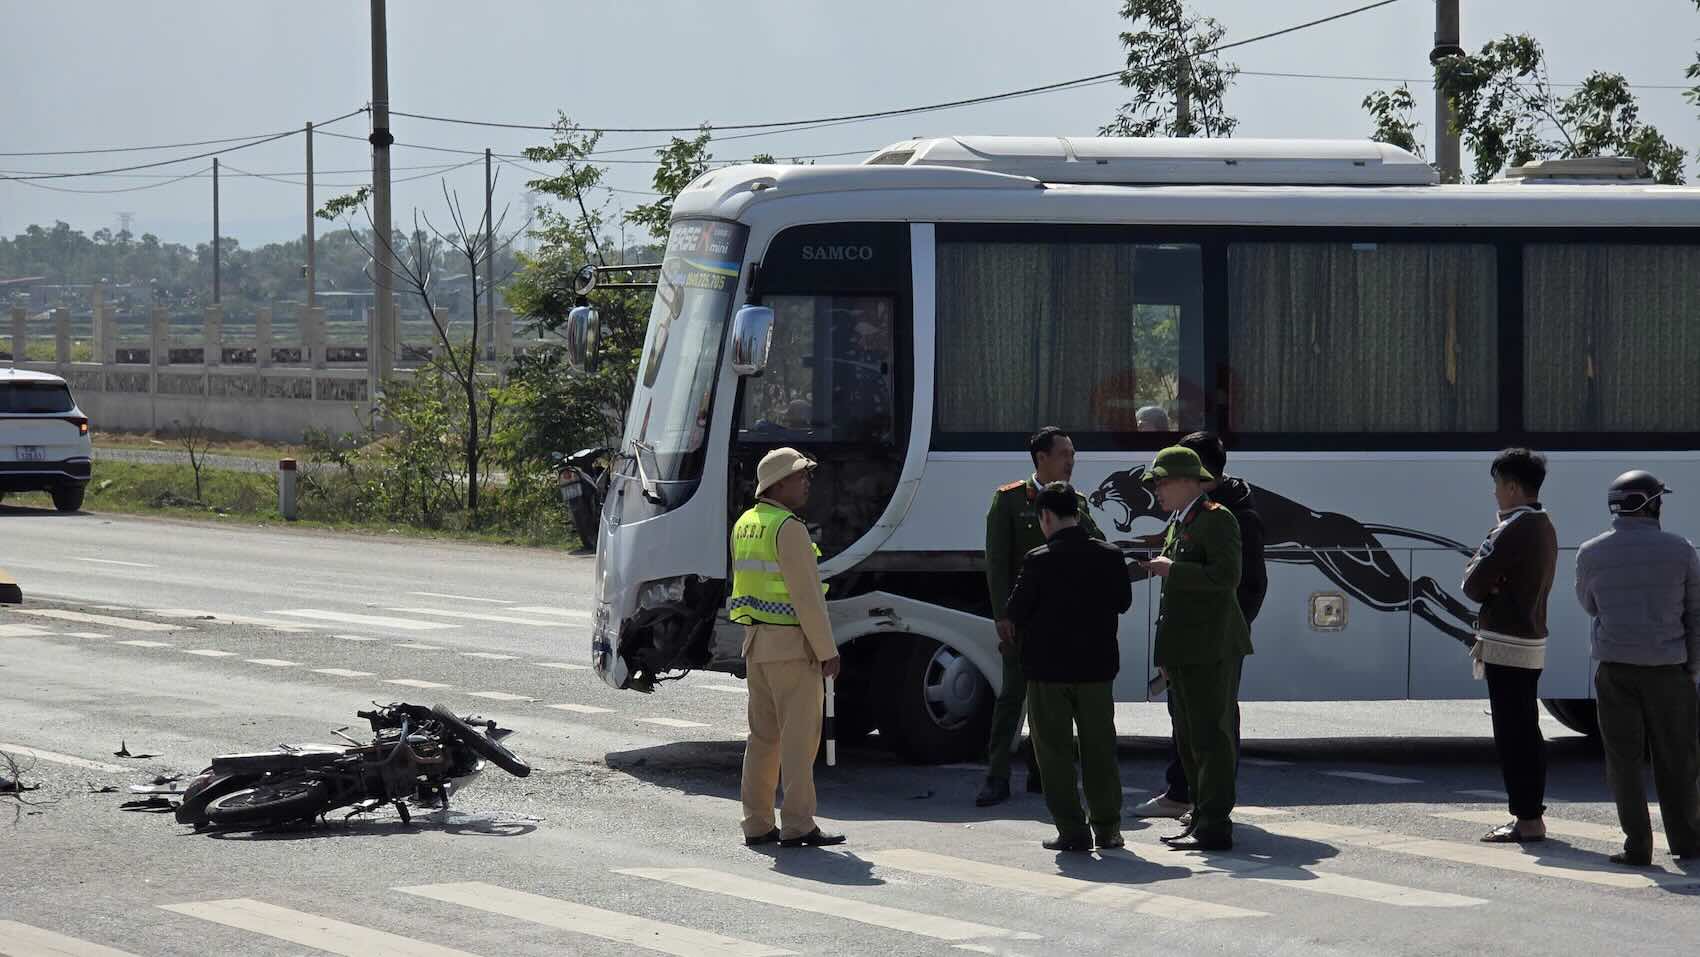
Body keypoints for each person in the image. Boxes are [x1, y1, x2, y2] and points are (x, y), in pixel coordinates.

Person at [1131, 431, 1267, 822]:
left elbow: (1238, 582)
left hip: (1212, 642)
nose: (1157, 488)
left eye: (1164, 479)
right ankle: (1190, 800)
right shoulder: (1187, 516)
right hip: (1191, 641)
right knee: (1190, 726)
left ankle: (1208, 814)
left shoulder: (1227, 518)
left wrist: (1220, 631)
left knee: (1213, 730)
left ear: (1196, 474)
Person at [1575, 470, 1700, 866]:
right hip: (1669, 670)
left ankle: (1637, 847)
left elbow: (1589, 605)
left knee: (1623, 761)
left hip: (1615, 670)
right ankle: (1687, 839)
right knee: (1677, 758)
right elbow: (1695, 615)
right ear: (1652, 503)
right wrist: (1692, 668)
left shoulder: (1591, 552)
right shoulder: (1681, 550)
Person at [979, 427, 1105, 807]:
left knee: (1053, 700)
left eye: (1073, 454)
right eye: (1064, 454)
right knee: (1013, 697)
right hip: (1024, 618)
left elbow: (1097, 543)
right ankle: (996, 775)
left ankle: (1041, 771)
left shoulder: (1076, 502)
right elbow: (997, 563)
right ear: (1041, 459)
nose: (1070, 462)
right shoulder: (1011, 499)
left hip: (1064, 620)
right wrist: (1003, 615)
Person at [1005, 482, 1134, 851]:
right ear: (1077, 514)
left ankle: (1072, 831)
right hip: (1096, 669)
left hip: (1048, 672)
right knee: (1099, 750)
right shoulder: (1109, 555)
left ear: (1045, 517)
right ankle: (1108, 828)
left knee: (1054, 754)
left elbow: (1016, 610)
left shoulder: (1038, 559)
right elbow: (1123, 602)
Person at [731, 447, 846, 848]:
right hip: (792, 649)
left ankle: (757, 822)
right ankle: (798, 823)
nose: (807, 481)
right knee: (799, 741)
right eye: (800, 475)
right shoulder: (789, 528)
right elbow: (807, 598)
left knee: (762, 739)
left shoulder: (746, 523)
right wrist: (827, 650)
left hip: (756, 644)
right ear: (779, 484)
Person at [1461, 448, 1558, 844]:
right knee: (1524, 728)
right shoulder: (1542, 524)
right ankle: (1529, 814)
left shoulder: (1513, 527)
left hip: (1507, 642)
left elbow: (1472, 584)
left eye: (1498, 485)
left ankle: (1527, 819)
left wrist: (1487, 579)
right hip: (1529, 640)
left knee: (1513, 732)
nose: (1495, 493)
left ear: (1514, 487)